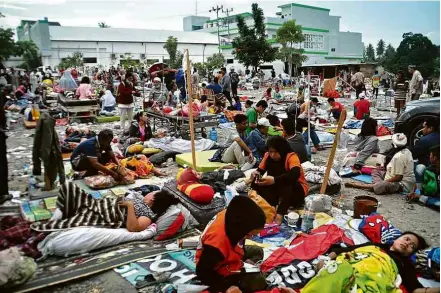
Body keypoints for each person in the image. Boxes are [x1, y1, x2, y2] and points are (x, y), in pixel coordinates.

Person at [307, 232, 439, 293]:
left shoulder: (405, 264)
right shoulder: (374, 246)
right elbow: (344, 250)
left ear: (411, 253)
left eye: (412, 246)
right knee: (338, 269)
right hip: (348, 268)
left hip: (374, 281)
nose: (407, 243)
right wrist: (326, 260)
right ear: (396, 239)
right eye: (406, 239)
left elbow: (416, 289)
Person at [195, 196, 267, 293]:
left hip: (230, 253)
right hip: (217, 268)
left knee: (258, 251)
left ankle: (246, 267)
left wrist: (243, 260)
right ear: (240, 229)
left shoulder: (231, 215)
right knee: (259, 281)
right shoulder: (216, 245)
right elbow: (202, 272)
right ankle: (239, 280)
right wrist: (226, 287)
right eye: (249, 235)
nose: (251, 238)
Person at [250, 136, 309, 224]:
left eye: (275, 152)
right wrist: (255, 174)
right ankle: (273, 206)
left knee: (287, 185)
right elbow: (260, 171)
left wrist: (274, 180)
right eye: (270, 152)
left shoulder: (291, 156)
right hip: (277, 187)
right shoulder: (267, 156)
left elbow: (294, 175)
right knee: (256, 182)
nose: (272, 155)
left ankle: (280, 214)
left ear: (282, 150)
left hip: (296, 189)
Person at [346, 133, 415, 195]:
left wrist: (384, 181)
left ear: (394, 145)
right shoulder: (407, 151)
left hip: (401, 184)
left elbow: (398, 177)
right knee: (376, 171)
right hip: (393, 177)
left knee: (381, 185)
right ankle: (375, 185)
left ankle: (357, 185)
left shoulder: (399, 157)